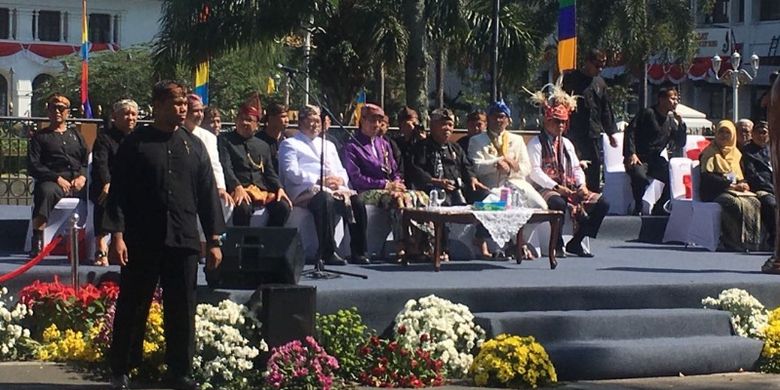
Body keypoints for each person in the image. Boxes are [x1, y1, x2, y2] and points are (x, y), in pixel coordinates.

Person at [104, 80, 225, 390]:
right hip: (142, 239)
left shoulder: (193, 144)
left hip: (183, 239)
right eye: (175, 103)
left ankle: (179, 372)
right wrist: (116, 236)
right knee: (133, 305)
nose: (181, 108)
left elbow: (207, 194)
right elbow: (118, 193)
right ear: (156, 106)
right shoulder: (136, 144)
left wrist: (213, 240)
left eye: (184, 102)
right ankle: (123, 367)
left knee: (182, 307)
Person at [279, 104, 369, 265]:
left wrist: (340, 180)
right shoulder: (290, 144)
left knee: (357, 200)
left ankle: (359, 251)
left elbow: (340, 170)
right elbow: (291, 172)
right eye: (311, 120)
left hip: (333, 187)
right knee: (324, 198)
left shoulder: (328, 144)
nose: (315, 125)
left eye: (318, 121)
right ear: (300, 122)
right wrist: (319, 180)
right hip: (306, 190)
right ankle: (327, 251)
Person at [527, 84, 610, 257]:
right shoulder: (535, 143)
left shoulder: (567, 144)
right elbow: (535, 172)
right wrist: (556, 187)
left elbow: (575, 167)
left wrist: (582, 185)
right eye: (557, 121)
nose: (561, 125)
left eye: (564, 122)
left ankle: (577, 241)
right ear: (547, 120)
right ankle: (556, 244)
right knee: (558, 202)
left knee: (603, 203)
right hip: (545, 188)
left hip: (569, 186)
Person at [343, 103, 427, 262]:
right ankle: (401, 246)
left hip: (390, 188)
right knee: (396, 200)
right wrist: (385, 185)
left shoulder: (384, 144)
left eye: (379, 121)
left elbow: (395, 170)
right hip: (365, 191)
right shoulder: (352, 146)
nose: (376, 125)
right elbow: (356, 178)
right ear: (363, 121)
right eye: (372, 121)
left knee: (420, 196)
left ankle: (420, 244)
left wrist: (397, 182)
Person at [468, 100, 546, 257]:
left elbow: (526, 167)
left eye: (502, 117)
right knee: (500, 206)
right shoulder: (477, 140)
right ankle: (514, 243)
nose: (498, 120)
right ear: (488, 118)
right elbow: (475, 166)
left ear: (509, 120)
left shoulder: (516, 140)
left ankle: (520, 239)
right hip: (492, 187)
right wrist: (497, 163)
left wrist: (511, 169)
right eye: (495, 116)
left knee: (541, 207)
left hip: (516, 183)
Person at [27, 93, 88, 256]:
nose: (58, 111)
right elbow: (33, 165)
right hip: (53, 180)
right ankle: (37, 240)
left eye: (62, 108)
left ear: (68, 112)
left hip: (77, 180)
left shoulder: (76, 136)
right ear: (48, 111)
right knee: (44, 192)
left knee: (103, 193)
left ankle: (98, 242)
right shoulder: (40, 137)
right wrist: (57, 178)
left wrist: (82, 176)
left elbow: (85, 161)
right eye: (54, 108)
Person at [219, 98, 291, 227]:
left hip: (260, 190)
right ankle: (243, 245)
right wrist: (237, 187)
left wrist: (279, 188)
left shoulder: (262, 145)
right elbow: (226, 167)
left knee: (283, 207)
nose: (244, 123)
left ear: (257, 124)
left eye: (249, 120)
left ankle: (268, 244)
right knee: (242, 208)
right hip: (238, 188)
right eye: (241, 119)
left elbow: (269, 172)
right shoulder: (225, 141)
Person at [698, 120, 762, 252]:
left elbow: (739, 174)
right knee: (733, 203)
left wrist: (743, 183)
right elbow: (707, 177)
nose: (724, 135)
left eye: (728, 132)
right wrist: (730, 184)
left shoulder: (736, 154)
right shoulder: (709, 152)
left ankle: (751, 241)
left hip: (733, 190)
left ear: (733, 135)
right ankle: (731, 239)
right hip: (714, 192)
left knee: (754, 202)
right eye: (721, 132)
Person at [623, 87, 687, 215]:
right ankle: (638, 205)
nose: (675, 102)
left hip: (656, 159)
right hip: (639, 157)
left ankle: (659, 207)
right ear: (661, 99)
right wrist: (631, 153)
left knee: (673, 178)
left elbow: (680, 142)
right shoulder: (647, 113)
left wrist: (681, 124)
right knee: (639, 176)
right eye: (672, 99)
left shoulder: (670, 121)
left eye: (676, 99)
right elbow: (630, 132)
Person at [561, 48, 618, 192]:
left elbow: (605, 109)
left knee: (594, 163)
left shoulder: (600, 82)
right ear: (587, 62)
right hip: (573, 131)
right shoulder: (570, 79)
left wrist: (611, 133)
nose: (599, 69)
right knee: (574, 164)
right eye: (596, 66)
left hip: (592, 132)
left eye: (602, 66)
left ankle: (592, 196)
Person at [89, 99, 138, 266]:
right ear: (115, 117)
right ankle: (101, 247)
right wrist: (108, 182)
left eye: (133, 114)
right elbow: (100, 164)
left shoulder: (139, 139)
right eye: (126, 114)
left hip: (133, 185)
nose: (130, 117)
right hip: (109, 184)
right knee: (106, 195)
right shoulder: (104, 139)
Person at [742, 121, 774, 248]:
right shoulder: (747, 152)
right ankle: (774, 238)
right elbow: (752, 175)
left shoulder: (773, 149)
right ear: (753, 134)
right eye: (758, 133)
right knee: (772, 204)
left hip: (775, 187)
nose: (761, 136)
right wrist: (772, 189)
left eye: (764, 133)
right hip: (760, 188)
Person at [256, 102, 289, 172]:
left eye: (287, 116)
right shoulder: (258, 141)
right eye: (283, 117)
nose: (287, 120)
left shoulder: (288, 139)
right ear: (271, 118)